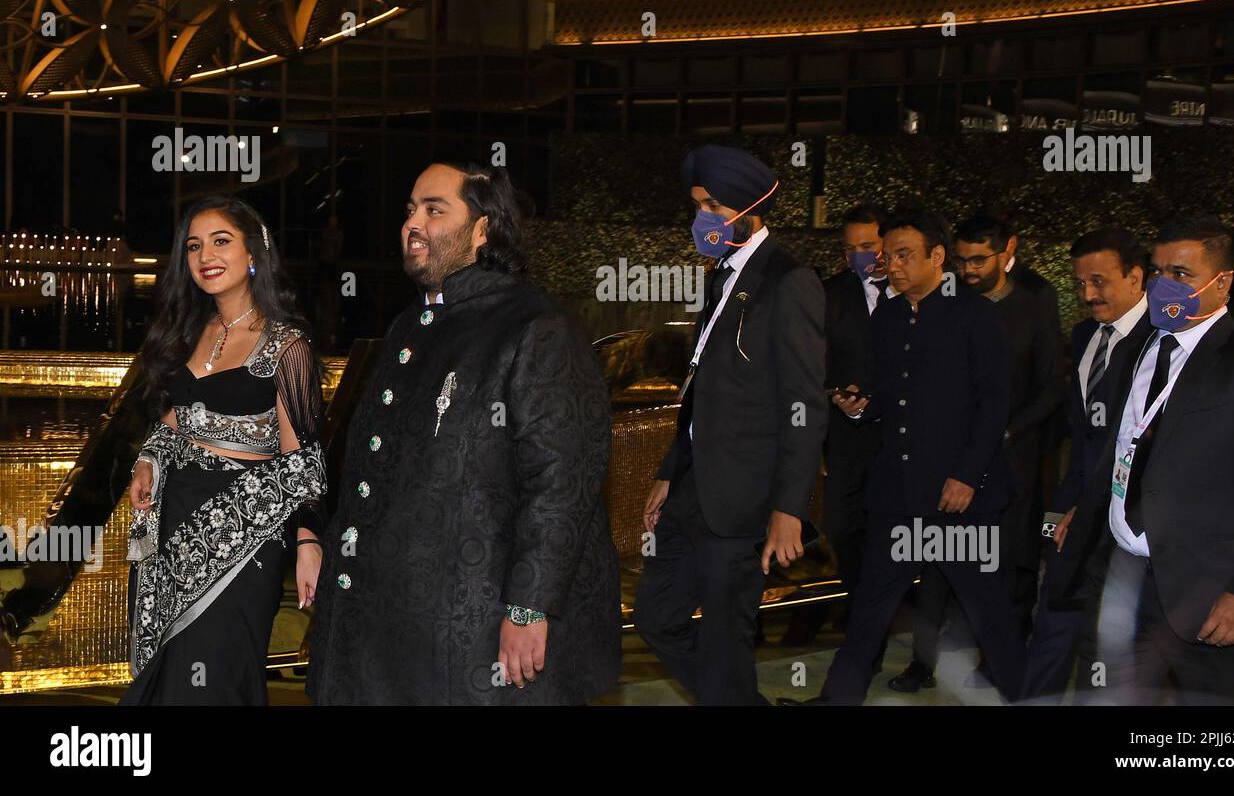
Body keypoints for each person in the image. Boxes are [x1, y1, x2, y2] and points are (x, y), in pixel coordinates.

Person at [306, 163, 620, 705]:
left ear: (483, 229)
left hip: (475, 625)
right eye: (409, 209)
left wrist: (529, 606)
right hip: (393, 624)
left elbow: (563, 478)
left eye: (434, 209)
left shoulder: (535, 324)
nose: (413, 222)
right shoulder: (410, 324)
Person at [1056, 216, 1234, 705]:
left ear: (1224, 282)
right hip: (1121, 576)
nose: (1165, 284)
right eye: (1158, 271)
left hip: (1212, 594)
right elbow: (1125, 446)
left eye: (1182, 274)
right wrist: (1088, 510)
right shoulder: (1135, 350)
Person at [635, 145, 827, 705]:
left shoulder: (789, 282)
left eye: (713, 207)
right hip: (691, 490)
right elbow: (700, 391)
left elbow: (805, 405)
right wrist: (671, 470)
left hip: (744, 501)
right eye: (697, 206)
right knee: (657, 618)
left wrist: (789, 509)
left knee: (724, 640)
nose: (703, 219)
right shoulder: (720, 277)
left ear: (749, 207)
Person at [811, 209, 1026, 705]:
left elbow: (993, 405)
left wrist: (967, 476)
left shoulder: (976, 315)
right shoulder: (887, 316)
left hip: (959, 499)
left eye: (905, 255)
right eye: (888, 255)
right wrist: (861, 408)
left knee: (988, 613)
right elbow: (892, 395)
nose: (892, 264)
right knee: (868, 609)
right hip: (898, 493)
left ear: (937, 256)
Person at [121, 197, 327, 705]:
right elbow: (178, 414)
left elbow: (304, 457)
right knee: (168, 674)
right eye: (194, 246)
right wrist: (148, 457)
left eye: (220, 241)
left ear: (253, 252)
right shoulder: (188, 332)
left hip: (244, 533)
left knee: (219, 671)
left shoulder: (287, 345)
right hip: (172, 518)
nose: (205, 255)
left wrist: (308, 540)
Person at [893, 214, 1064, 693]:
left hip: (1013, 459)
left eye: (979, 260)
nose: (968, 269)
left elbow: (1052, 387)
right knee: (938, 561)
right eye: (961, 259)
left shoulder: (1035, 304)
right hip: (948, 460)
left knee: (1006, 565)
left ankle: (998, 664)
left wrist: (1005, 433)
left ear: (1007, 250)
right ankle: (922, 663)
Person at [1021, 227, 1150, 701]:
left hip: (1125, 516)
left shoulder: (1162, 344)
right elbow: (1082, 438)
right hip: (1071, 508)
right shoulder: (1083, 336)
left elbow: (1139, 448)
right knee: (1052, 617)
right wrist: (1059, 514)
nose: (1087, 294)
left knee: (1105, 644)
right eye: (1080, 284)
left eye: (1099, 282)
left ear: (1136, 278)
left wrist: (1092, 508)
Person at [821, 203, 890, 622]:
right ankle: (862, 612)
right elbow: (810, 367)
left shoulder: (922, 292)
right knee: (844, 530)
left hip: (903, 439)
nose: (860, 256)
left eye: (868, 245)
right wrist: (834, 395)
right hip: (846, 440)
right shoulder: (828, 295)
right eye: (850, 249)